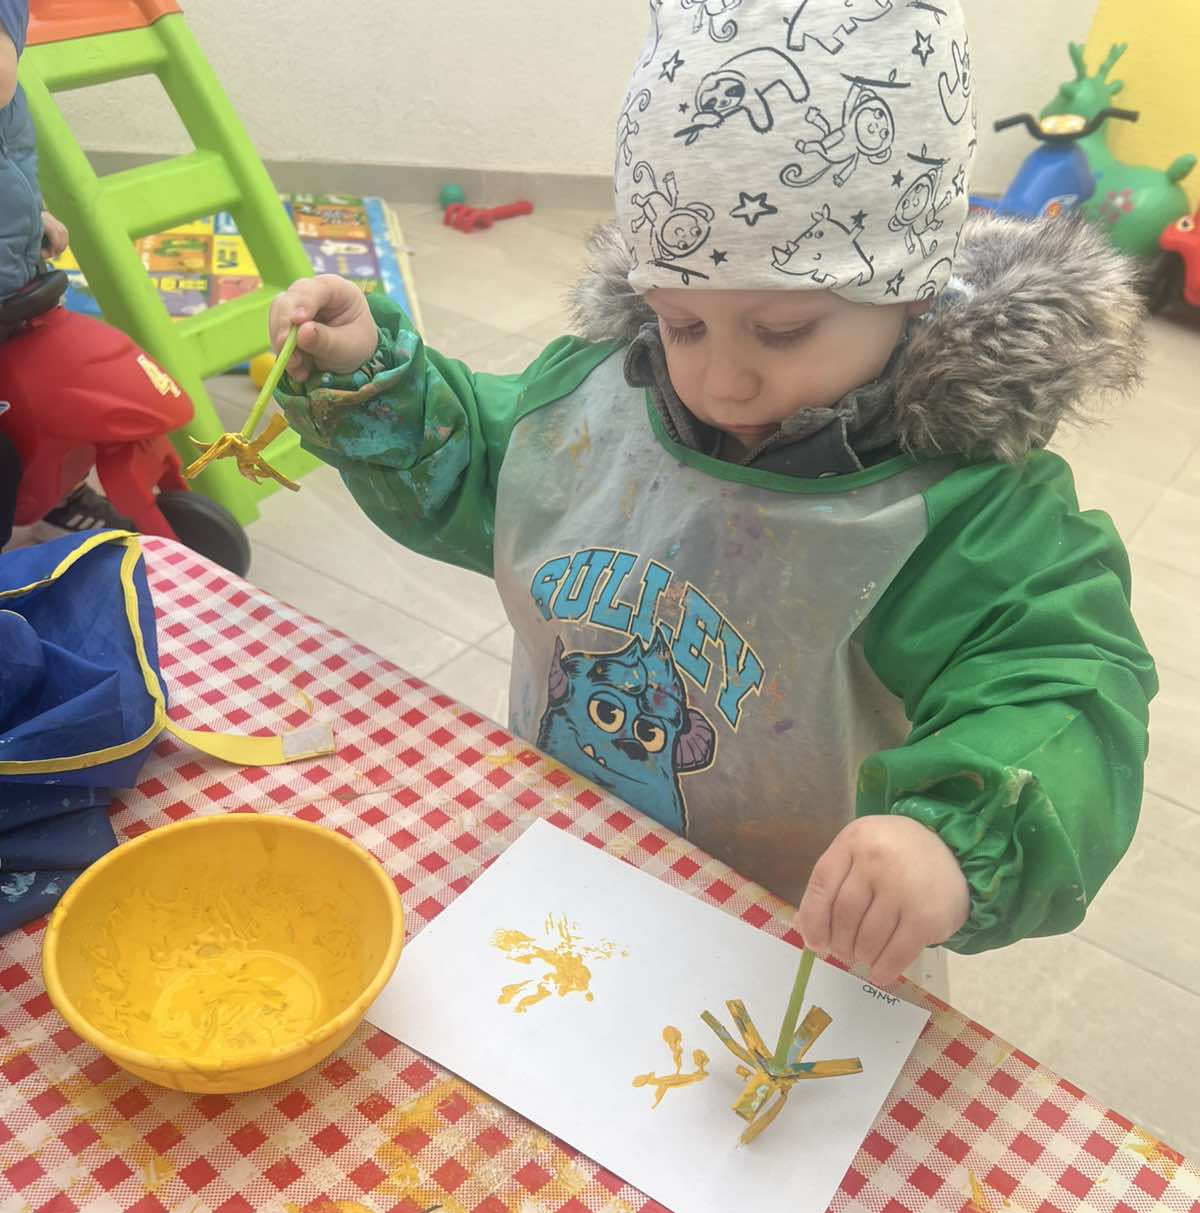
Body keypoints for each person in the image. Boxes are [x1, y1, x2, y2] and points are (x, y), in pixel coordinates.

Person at [267, 0, 1156, 989]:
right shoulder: (601, 396)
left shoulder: (966, 510)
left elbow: (1060, 683)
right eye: (682, 324)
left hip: (793, 940)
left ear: (912, 290)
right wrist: (376, 382)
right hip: (564, 868)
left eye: (781, 332)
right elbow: (494, 470)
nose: (720, 381)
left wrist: (956, 838)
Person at [0, 0, 135, 538]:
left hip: (19, 278)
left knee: (44, 398)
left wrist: (36, 214)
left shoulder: (10, 99)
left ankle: (59, 485)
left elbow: (12, 166)